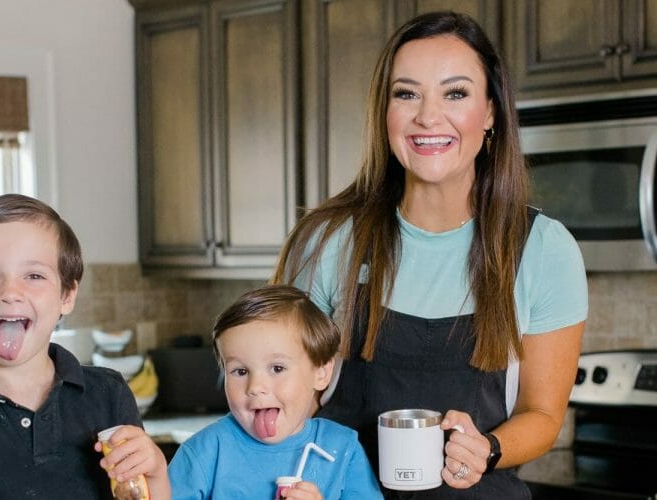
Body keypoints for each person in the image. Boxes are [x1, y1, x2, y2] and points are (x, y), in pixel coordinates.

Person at [272, 11, 588, 499]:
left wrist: (488, 446)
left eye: (455, 93)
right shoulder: (328, 240)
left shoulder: (543, 250)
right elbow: (275, 392)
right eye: (407, 93)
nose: (428, 116)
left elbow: (542, 415)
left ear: (489, 113)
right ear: (386, 113)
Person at [0, 194, 171, 499]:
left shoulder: (108, 394)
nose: (10, 292)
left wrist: (156, 472)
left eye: (34, 275)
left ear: (67, 295)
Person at [168, 285, 382, 499]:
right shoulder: (202, 453)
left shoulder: (342, 448)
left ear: (321, 373)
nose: (255, 387)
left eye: (277, 368)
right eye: (240, 371)